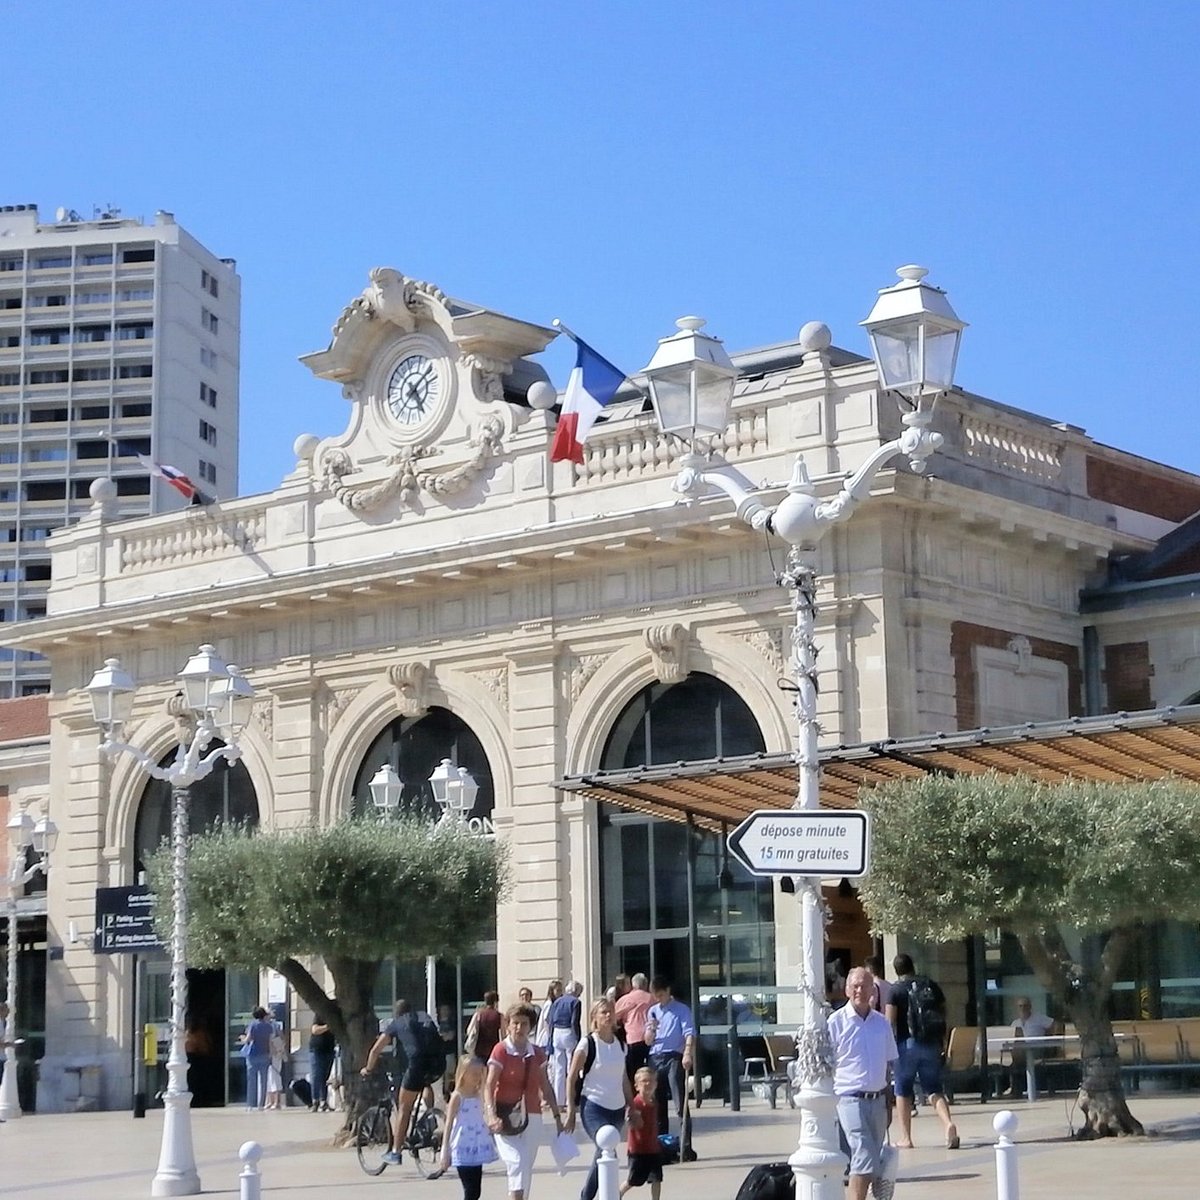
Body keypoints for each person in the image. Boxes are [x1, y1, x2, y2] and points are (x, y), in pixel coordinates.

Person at [828, 967, 899, 1200]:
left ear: (873, 991)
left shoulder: (881, 1023)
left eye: (865, 985)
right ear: (847, 989)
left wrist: (889, 1101)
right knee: (863, 1157)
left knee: (873, 1159)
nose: (860, 990)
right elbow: (826, 1064)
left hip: (877, 1099)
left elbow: (888, 1064)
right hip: (849, 1098)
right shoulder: (836, 1022)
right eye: (855, 985)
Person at [484, 1000, 563, 1200]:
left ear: (530, 1026)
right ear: (508, 1024)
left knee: (525, 1168)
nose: (519, 1028)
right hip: (505, 1116)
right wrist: (491, 1114)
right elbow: (489, 1085)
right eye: (515, 1023)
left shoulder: (537, 1053)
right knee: (516, 1162)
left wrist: (557, 1116)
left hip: (533, 1117)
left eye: (524, 1024)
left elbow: (545, 1086)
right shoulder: (501, 1050)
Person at [361, 999, 445, 1166]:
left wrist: (368, 1069)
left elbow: (376, 1050)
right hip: (438, 1063)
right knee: (425, 1084)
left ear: (396, 1013)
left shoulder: (396, 1023)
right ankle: (430, 1117)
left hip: (417, 1064)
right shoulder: (424, 1016)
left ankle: (396, 1152)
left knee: (404, 1108)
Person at [886, 954, 958, 1150]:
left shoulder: (895, 990)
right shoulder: (930, 985)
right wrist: (942, 1040)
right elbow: (944, 1013)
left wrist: (886, 1049)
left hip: (906, 1045)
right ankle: (948, 1124)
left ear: (896, 970)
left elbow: (889, 1022)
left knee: (903, 1090)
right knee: (934, 1089)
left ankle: (906, 1138)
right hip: (930, 1043)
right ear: (913, 966)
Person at [566, 998, 634, 1200]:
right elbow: (571, 1078)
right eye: (603, 1012)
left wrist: (633, 1107)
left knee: (607, 1153)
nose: (608, 1015)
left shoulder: (621, 1045)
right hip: (594, 1106)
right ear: (594, 1016)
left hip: (617, 1108)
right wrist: (571, 1110)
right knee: (604, 1148)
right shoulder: (588, 1044)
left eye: (610, 1011)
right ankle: (588, 1196)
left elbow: (624, 1080)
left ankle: (599, 1194)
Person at [440, 1054, 498, 1200]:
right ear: (464, 1074)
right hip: (462, 1146)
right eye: (474, 1074)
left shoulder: (478, 1094)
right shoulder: (457, 1097)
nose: (477, 1077)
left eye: (479, 1074)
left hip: (477, 1145)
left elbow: (485, 1104)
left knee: (476, 1191)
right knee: (470, 1190)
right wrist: (445, 1149)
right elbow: (448, 1123)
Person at [645, 975, 695, 1141]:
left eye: (660, 994)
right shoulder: (653, 1011)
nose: (658, 999)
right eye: (655, 996)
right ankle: (661, 1141)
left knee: (679, 1100)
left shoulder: (681, 1009)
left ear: (667, 991)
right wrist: (651, 1030)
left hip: (674, 1055)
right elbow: (647, 1040)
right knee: (658, 1103)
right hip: (656, 1055)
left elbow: (689, 1033)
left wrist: (687, 1053)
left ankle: (685, 1143)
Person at [621, 1066, 662, 1200]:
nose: (648, 1084)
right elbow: (630, 1120)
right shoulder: (636, 1104)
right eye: (644, 1081)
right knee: (634, 1180)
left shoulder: (654, 1103)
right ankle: (617, 1194)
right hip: (638, 1150)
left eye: (651, 1081)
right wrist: (631, 1119)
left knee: (656, 1178)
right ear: (637, 1086)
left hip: (653, 1148)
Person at [1006, 997, 1056, 1097]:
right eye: (1020, 1006)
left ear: (1030, 1007)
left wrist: (1050, 1038)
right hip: (1021, 1052)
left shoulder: (1039, 1018)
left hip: (1037, 1049)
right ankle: (1016, 1090)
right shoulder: (1015, 1023)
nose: (1023, 1008)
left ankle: (1016, 1089)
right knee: (1013, 1058)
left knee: (1015, 1059)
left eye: (1025, 1006)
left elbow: (1055, 1025)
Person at [546, 980, 583, 1105]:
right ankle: (569, 1100)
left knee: (559, 1069)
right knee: (571, 1068)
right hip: (568, 1032)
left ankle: (559, 1100)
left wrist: (550, 1039)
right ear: (576, 991)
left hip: (557, 1032)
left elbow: (550, 1021)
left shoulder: (557, 1001)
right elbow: (574, 1022)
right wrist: (578, 1038)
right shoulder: (576, 1002)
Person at [615, 972, 654, 1080]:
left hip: (633, 1038)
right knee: (650, 1071)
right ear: (645, 984)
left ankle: (634, 1093)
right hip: (651, 1038)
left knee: (633, 1071)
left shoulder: (625, 999)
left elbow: (614, 1017)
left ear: (633, 985)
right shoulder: (652, 998)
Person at [239, 1006, 275, 1110]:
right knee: (264, 1081)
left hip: (253, 1055)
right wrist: (271, 1054)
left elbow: (248, 1039)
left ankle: (251, 1104)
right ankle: (261, 1104)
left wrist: (242, 1038)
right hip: (265, 1054)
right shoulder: (269, 1026)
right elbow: (270, 1042)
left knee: (252, 1081)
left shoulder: (253, 1025)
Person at [309, 1017, 337, 1112]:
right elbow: (315, 1030)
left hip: (329, 1049)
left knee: (326, 1077)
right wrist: (328, 1027)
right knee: (316, 1075)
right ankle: (315, 1101)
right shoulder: (320, 1014)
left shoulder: (335, 1015)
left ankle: (323, 1101)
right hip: (317, 1049)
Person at [467, 991, 504, 1062]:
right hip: (494, 1048)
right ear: (496, 1002)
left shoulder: (479, 1014)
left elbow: (469, 1030)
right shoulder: (499, 1016)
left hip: (479, 1049)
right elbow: (503, 1035)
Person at [535, 981, 563, 1053]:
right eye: (558, 990)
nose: (560, 992)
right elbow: (547, 1021)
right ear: (552, 991)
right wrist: (550, 1036)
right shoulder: (549, 1004)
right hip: (546, 1037)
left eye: (561, 990)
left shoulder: (557, 1003)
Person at [264, 1019, 286, 1109]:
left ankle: (277, 1101)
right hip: (267, 1053)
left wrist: (279, 1049)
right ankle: (270, 1101)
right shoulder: (265, 1025)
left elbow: (282, 1038)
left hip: (276, 1053)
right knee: (269, 1078)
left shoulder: (274, 1025)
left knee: (275, 1076)